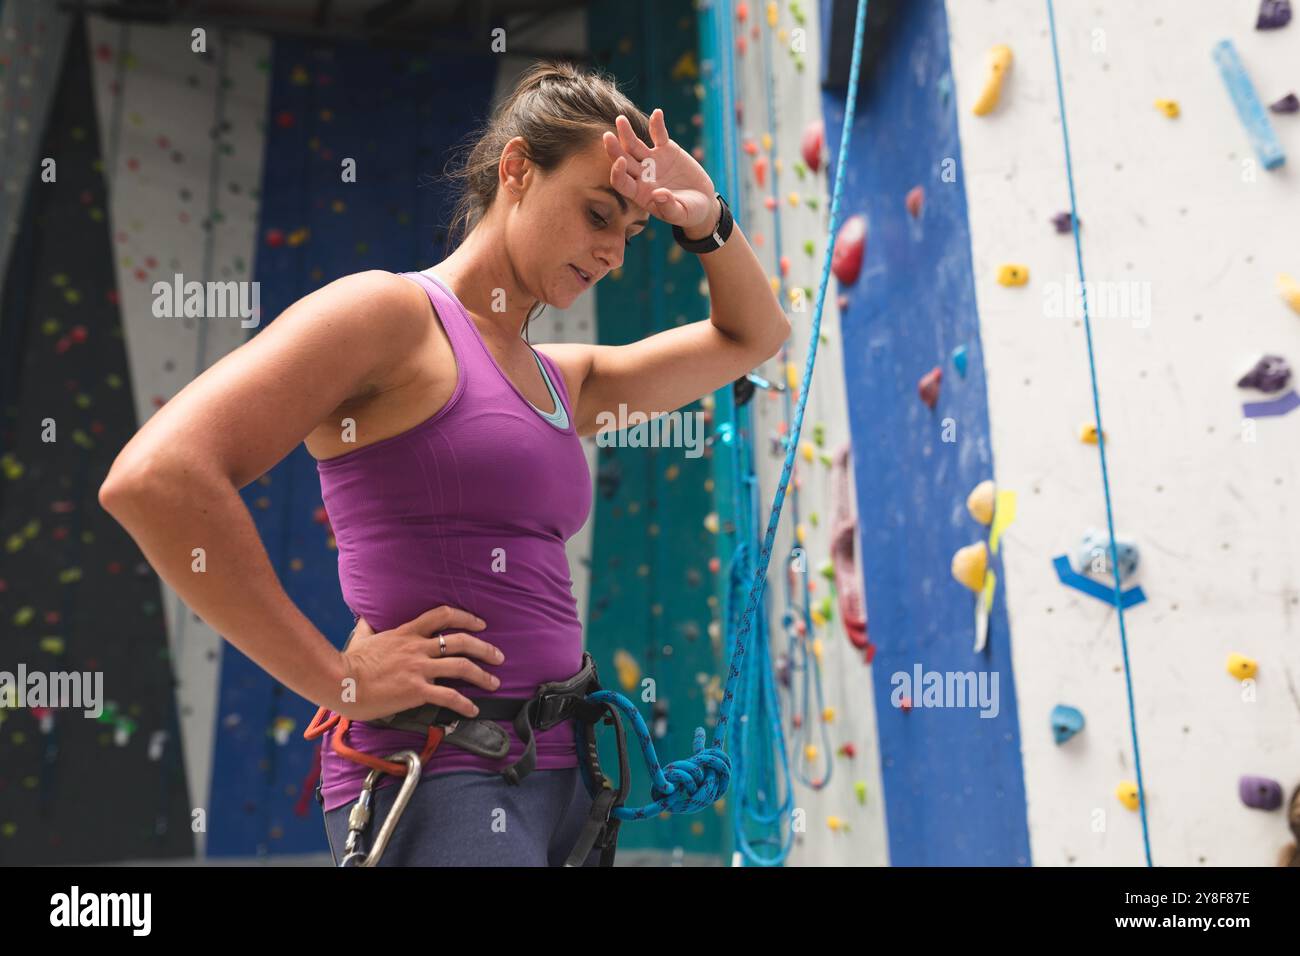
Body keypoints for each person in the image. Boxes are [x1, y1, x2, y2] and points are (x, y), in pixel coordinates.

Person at [99, 60, 790, 866]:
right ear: (517, 170)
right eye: (598, 213)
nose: (611, 252)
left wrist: (705, 219)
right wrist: (335, 678)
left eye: (632, 234)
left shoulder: (561, 380)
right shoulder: (389, 315)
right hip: (439, 771)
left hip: (569, 774)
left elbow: (752, 336)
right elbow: (155, 478)